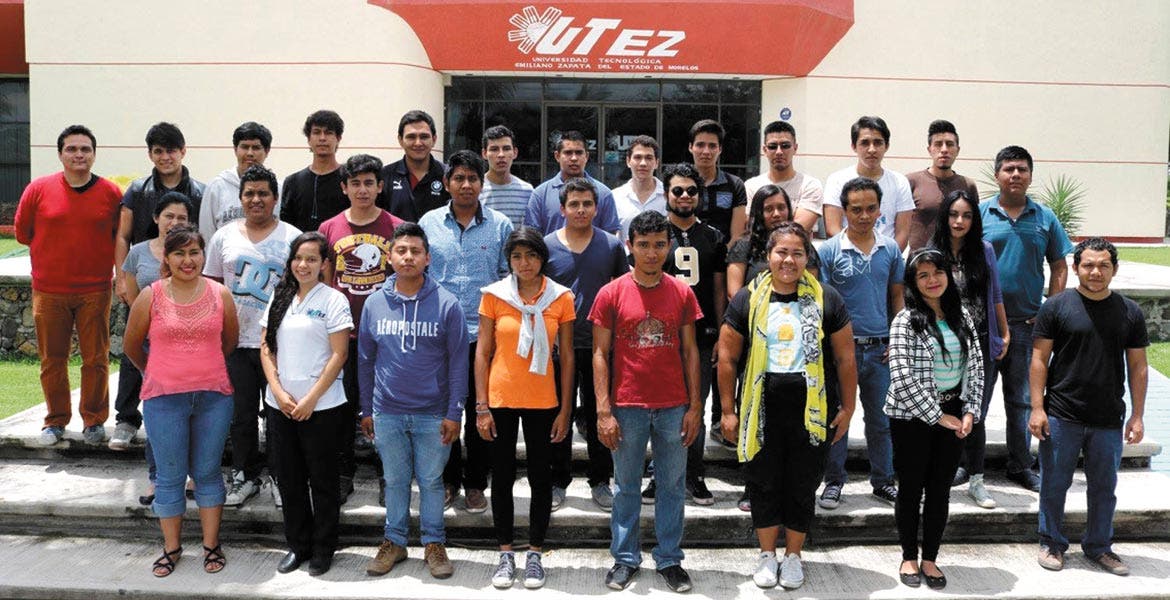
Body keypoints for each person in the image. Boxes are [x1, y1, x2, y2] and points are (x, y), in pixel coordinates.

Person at [718, 222, 856, 590]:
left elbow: (845, 358)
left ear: (808, 257)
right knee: (763, 481)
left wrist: (848, 407)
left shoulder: (827, 299)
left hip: (811, 409)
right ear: (768, 256)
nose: (789, 260)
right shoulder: (747, 298)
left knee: (802, 482)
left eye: (797, 253)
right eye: (782, 252)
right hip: (761, 407)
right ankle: (767, 554)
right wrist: (728, 411)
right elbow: (728, 358)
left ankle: (793, 556)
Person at [590, 210, 703, 593]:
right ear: (630, 246)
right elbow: (600, 353)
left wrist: (695, 407)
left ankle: (670, 559)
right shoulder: (611, 293)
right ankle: (625, 558)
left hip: (673, 405)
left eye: (658, 245)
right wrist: (603, 410)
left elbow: (690, 351)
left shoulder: (682, 292)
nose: (651, 253)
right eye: (643, 245)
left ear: (669, 247)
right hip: (627, 405)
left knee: (671, 485)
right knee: (626, 487)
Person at [122, 224, 238, 578]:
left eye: (194, 252)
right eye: (179, 253)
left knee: (207, 473)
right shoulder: (151, 296)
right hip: (163, 400)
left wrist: (201, 368)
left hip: (213, 398)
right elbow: (131, 345)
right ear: (167, 259)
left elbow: (229, 342)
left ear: (204, 255)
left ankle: (211, 545)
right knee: (170, 476)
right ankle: (171, 548)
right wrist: (157, 370)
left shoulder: (220, 294)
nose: (188, 260)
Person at [1030, 238, 1148, 576]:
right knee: (1055, 484)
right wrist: (1037, 408)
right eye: (1089, 265)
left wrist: (1137, 415)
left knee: (1104, 489)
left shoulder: (1129, 311)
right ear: (1076, 267)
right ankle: (1052, 543)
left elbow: (1138, 366)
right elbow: (1039, 359)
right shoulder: (1056, 307)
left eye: (1103, 265)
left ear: (1114, 269)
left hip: (1108, 416)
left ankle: (1099, 547)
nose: (1096, 272)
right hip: (1062, 413)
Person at [360, 223, 466, 581]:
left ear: (427, 258)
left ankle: (433, 543)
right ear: (390, 257)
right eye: (401, 251)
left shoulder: (447, 303)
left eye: (415, 251)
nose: (408, 257)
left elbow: (458, 363)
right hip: (387, 410)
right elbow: (365, 360)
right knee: (394, 479)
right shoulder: (374, 303)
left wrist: (454, 412)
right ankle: (394, 541)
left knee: (432, 481)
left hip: (432, 413)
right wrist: (366, 409)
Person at [476, 228, 575, 590]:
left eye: (531, 255)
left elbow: (567, 358)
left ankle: (534, 552)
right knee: (501, 477)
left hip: (543, 400)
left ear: (542, 258)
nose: (524, 263)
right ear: (509, 261)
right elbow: (483, 352)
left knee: (540, 477)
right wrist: (481, 406)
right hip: (500, 398)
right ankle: (505, 552)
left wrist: (565, 410)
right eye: (517, 256)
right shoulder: (494, 295)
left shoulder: (560, 297)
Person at [15, 124, 123, 446]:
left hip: (95, 290)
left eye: (85, 149)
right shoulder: (38, 189)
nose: (79, 154)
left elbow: (119, 237)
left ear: (94, 154)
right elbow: (23, 233)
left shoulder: (111, 193)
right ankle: (55, 420)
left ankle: (94, 420)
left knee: (96, 358)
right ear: (61, 154)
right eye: (72, 149)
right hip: (49, 290)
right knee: (52, 359)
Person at [419, 150, 514, 512]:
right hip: (437, 335)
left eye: (473, 178)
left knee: (480, 411)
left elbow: (508, 279)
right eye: (458, 178)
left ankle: (476, 483)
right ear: (446, 183)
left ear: (482, 183)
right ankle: (447, 480)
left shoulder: (500, 225)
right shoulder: (429, 223)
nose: (466, 185)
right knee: (442, 411)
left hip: (483, 336)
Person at [204, 165, 302, 508]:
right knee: (241, 415)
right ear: (241, 198)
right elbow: (212, 288)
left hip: (279, 344)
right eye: (249, 194)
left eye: (263, 193)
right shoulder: (223, 237)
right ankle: (245, 475)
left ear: (275, 199)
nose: (256, 199)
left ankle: (280, 476)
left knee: (278, 414)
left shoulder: (292, 237)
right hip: (234, 342)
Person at [886, 248, 984, 590]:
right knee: (911, 488)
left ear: (949, 275)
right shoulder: (905, 320)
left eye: (938, 272)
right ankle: (908, 556)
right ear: (913, 282)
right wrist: (937, 416)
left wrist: (970, 410)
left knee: (940, 490)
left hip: (953, 414)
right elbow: (901, 376)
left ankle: (930, 558)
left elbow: (976, 366)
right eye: (923, 275)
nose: (932, 280)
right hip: (911, 417)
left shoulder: (962, 316)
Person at [980, 145, 1073, 492]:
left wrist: (1051, 310)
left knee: (1021, 400)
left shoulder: (1045, 217)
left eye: (1022, 169)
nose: (1015, 174)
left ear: (1031, 176)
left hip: (1027, 327)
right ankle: (967, 464)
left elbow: (1059, 265)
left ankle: (1019, 465)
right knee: (976, 398)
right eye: (1009, 169)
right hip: (985, 327)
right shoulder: (980, 214)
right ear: (997, 175)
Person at [260, 232, 353, 577]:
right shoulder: (279, 296)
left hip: (322, 407)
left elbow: (339, 354)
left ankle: (323, 548)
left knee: (323, 480)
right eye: (298, 258)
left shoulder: (334, 300)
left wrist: (311, 399)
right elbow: (266, 347)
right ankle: (298, 545)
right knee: (289, 478)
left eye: (312, 259)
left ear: (324, 264)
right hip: (280, 405)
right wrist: (278, 392)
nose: (304, 265)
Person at [112, 122, 206, 450]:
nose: (166, 157)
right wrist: (121, 276)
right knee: (134, 348)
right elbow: (123, 235)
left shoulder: (200, 192)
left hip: (185, 283)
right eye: (158, 151)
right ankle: (126, 418)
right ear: (151, 154)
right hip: (145, 277)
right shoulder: (138, 190)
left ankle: (187, 414)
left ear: (183, 151)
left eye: (171, 150)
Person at [318, 153, 405, 505]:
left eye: (369, 182)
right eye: (355, 183)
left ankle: (389, 475)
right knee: (343, 407)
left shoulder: (397, 227)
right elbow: (325, 282)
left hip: (386, 334)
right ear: (344, 188)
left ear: (380, 186)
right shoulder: (329, 229)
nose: (363, 189)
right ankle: (343, 474)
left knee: (386, 407)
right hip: (343, 335)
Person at [642, 163, 726, 507]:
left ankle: (695, 474)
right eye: (678, 190)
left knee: (696, 405)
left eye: (692, 190)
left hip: (701, 336)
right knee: (659, 408)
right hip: (660, 336)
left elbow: (718, 289)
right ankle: (658, 475)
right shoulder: (654, 234)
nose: (685, 196)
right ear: (666, 194)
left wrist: (721, 331)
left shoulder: (713, 236)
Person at [818, 177, 904, 509]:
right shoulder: (829, 250)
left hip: (880, 349)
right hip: (843, 351)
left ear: (880, 210)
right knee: (839, 418)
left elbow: (896, 297)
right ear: (844, 210)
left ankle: (883, 481)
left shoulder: (890, 249)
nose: (864, 215)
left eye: (871, 208)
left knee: (881, 421)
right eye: (856, 209)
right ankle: (833, 482)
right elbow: (824, 303)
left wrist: (897, 338)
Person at [544, 178, 629, 511]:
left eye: (587, 204)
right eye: (574, 204)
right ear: (562, 209)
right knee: (557, 414)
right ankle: (557, 479)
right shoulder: (547, 246)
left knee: (599, 412)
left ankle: (600, 479)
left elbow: (623, 290)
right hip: (556, 347)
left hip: (600, 347)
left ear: (596, 208)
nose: (581, 210)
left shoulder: (611, 246)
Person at [930, 190, 1008, 508]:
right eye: (953, 214)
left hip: (980, 344)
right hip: (943, 344)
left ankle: (977, 481)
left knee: (975, 411)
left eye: (966, 215)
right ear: (944, 217)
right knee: (942, 410)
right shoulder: (932, 251)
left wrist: (1004, 332)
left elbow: (995, 294)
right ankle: (937, 477)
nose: (959, 221)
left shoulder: (984, 250)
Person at [121, 192, 194, 501]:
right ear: (155, 218)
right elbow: (133, 298)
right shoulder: (138, 253)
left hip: (190, 347)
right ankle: (157, 477)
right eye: (169, 216)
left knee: (190, 412)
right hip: (153, 347)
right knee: (157, 414)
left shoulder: (193, 253)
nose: (174, 222)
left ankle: (190, 474)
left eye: (181, 218)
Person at [822, 116, 915, 250]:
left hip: (887, 259)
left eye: (878, 143)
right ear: (854, 146)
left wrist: (885, 257)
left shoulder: (900, 182)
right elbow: (833, 228)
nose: (872, 149)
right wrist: (856, 255)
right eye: (865, 143)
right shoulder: (836, 180)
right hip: (846, 257)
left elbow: (903, 233)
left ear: (887, 146)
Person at [525, 130, 620, 235]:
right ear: (557, 156)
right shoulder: (540, 195)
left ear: (586, 156)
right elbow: (532, 236)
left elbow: (610, 236)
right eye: (568, 153)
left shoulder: (603, 194)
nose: (574, 158)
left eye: (579, 153)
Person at [907, 120, 980, 251]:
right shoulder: (911, 182)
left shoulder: (968, 185)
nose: (944, 149)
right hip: (920, 260)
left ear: (958, 150)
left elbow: (974, 226)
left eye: (950, 144)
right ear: (929, 149)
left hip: (957, 260)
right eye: (938, 144)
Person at [199, 121, 278, 240]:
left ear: (267, 151)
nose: (250, 153)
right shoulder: (217, 187)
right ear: (235, 149)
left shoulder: (277, 188)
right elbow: (206, 234)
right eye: (245, 147)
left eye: (256, 148)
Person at [743, 121, 822, 232]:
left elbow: (797, 231)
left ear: (795, 148)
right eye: (772, 146)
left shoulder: (809, 186)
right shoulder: (750, 186)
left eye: (785, 146)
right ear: (765, 150)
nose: (779, 152)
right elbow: (750, 227)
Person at [280, 110, 348, 232]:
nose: (322, 138)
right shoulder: (292, 182)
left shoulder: (349, 179)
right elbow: (286, 226)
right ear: (308, 139)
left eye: (328, 133)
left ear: (338, 138)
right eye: (316, 132)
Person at [380, 110, 449, 222]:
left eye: (424, 137)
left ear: (434, 139)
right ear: (400, 140)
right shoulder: (385, 176)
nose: (418, 143)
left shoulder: (449, 175)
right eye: (411, 137)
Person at [727, 184, 793, 300]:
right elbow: (734, 294)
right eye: (769, 209)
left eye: (781, 208)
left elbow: (811, 290)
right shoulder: (744, 245)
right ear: (759, 213)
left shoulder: (802, 245)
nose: (776, 214)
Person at [687, 119, 747, 243]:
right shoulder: (680, 184)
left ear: (720, 149)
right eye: (700, 145)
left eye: (712, 146)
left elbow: (737, 236)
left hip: (725, 252)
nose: (706, 152)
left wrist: (724, 253)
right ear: (690, 147)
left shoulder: (735, 185)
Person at [611, 135, 666, 243]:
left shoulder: (668, 196)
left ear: (656, 163)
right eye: (637, 157)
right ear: (628, 161)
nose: (643, 163)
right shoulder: (615, 197)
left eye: (649, 158)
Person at [480, 125, 533, 229]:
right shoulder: (476, 190)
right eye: (494, 149)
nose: (501, 155)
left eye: (506, 148)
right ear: (484, 153)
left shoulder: (527, 191)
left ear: (515, 152)